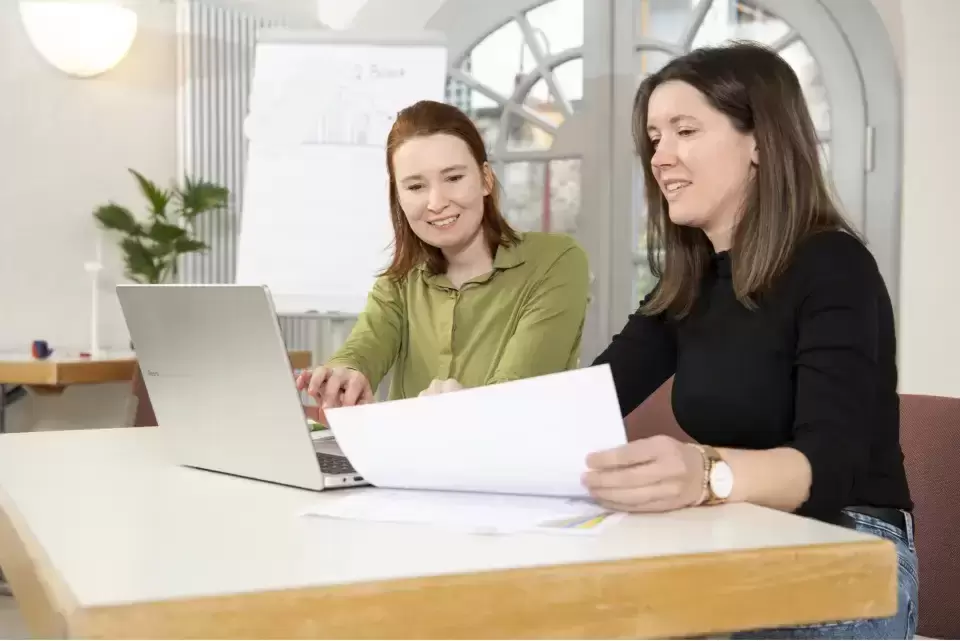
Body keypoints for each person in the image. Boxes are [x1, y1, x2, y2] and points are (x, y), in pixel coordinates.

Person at [581, 42, 916, 639]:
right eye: (654, 138)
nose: (661, 157)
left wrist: (703, 474)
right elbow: (588, 399)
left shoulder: (834, 265)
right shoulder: (690, 282)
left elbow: (829, 469)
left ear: (760, 141)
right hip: (734, 537)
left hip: (850, 544)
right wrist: (457, 413)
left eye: (685, 130)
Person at [296, 100, 590, 409]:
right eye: (415, 186)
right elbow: (364, 346)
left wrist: (458, 409)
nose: (436, 202)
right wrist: (347, 373)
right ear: (398, 196)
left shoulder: (556, 262)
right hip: (406, 456)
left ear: (485, 179)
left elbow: (514, 394)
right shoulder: (400, 280)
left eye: (453, 178)